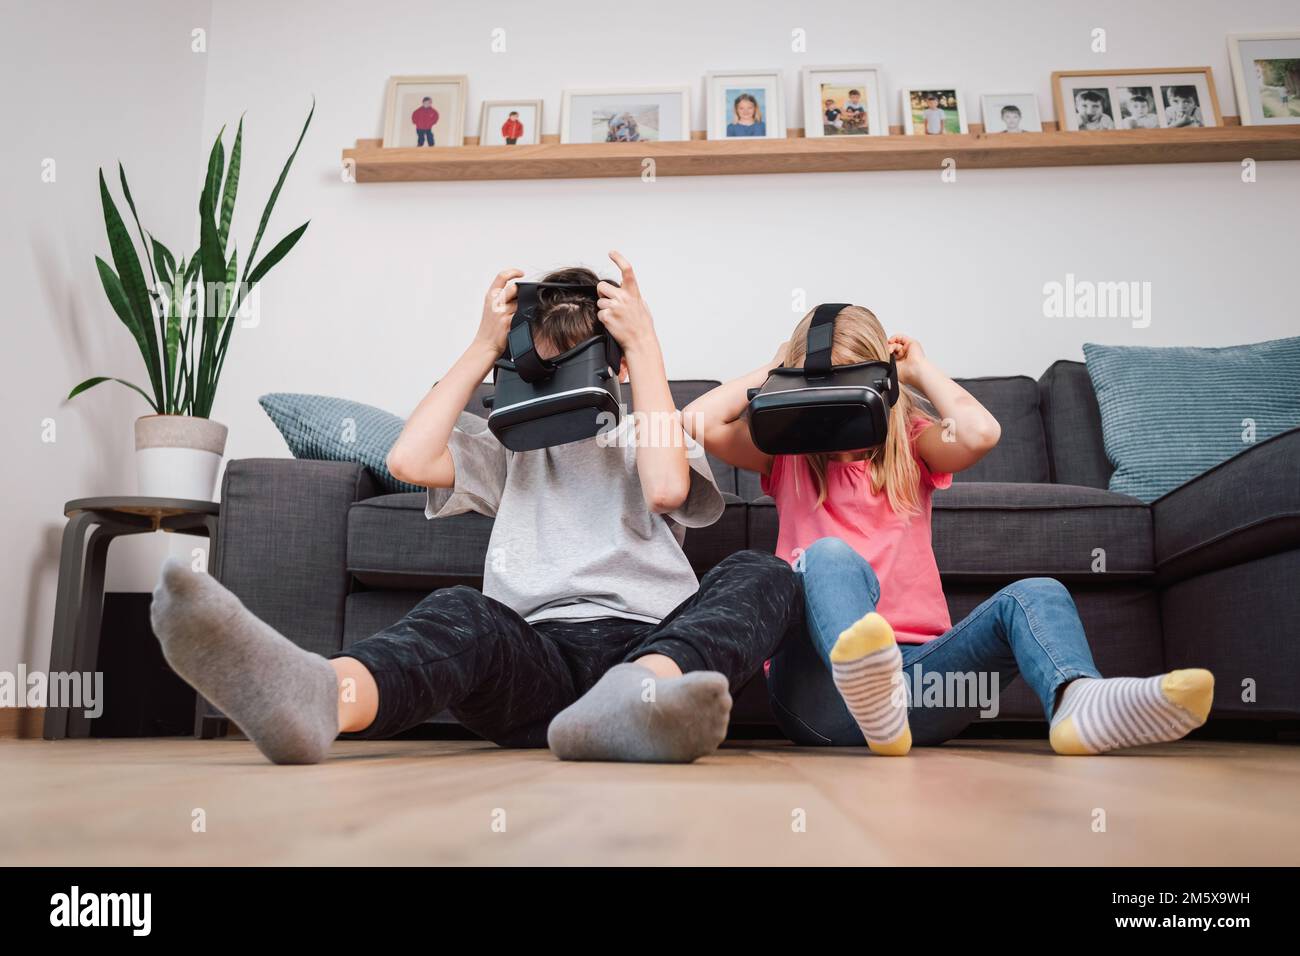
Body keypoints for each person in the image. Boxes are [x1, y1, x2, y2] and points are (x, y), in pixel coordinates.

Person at [149, 253, 798, 766]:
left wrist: (645, 347)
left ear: (615, 368)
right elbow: (408, 460)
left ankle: (635, 706)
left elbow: (664, 489)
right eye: (546, 368)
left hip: (655, 650)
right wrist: (485, 346)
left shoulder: (650, 431)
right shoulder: (507, 451)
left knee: (762, 572)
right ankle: (322, 697)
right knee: (460, 609)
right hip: (537, 659)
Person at [684, 305, 1214, 756]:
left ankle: (1078, 700)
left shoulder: (915, 445)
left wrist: (919, 371)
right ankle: (869, 684)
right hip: (818, 691)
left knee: (1038, 594)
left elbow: (982, 431)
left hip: (922, 687)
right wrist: (777, 369)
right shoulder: (789, 456)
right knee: (829, 556)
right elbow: (697, 422)